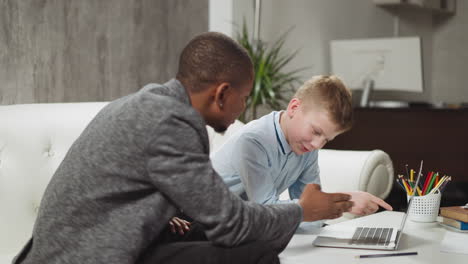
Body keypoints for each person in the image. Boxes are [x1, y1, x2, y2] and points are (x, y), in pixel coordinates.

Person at [13, 33, 353, 264]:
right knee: (257, 253)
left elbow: (124, 192)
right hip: (87, 255)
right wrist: (301, 211)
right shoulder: (172, 124)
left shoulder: (146, 104)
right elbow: (231, 223)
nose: (244, 109)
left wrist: (161, 218)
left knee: (199, 229)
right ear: (221, 94)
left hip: (80, 244)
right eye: (244, 97)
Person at [211, 75, 392, 224]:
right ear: (294, 108)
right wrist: (343, 201)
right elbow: (266, 210)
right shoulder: (253, 142)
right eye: (315, 131)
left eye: (326, 139)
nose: (317, 144)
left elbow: (310, 212)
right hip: (200, 222)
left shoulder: (307, 149)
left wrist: (327, 215)